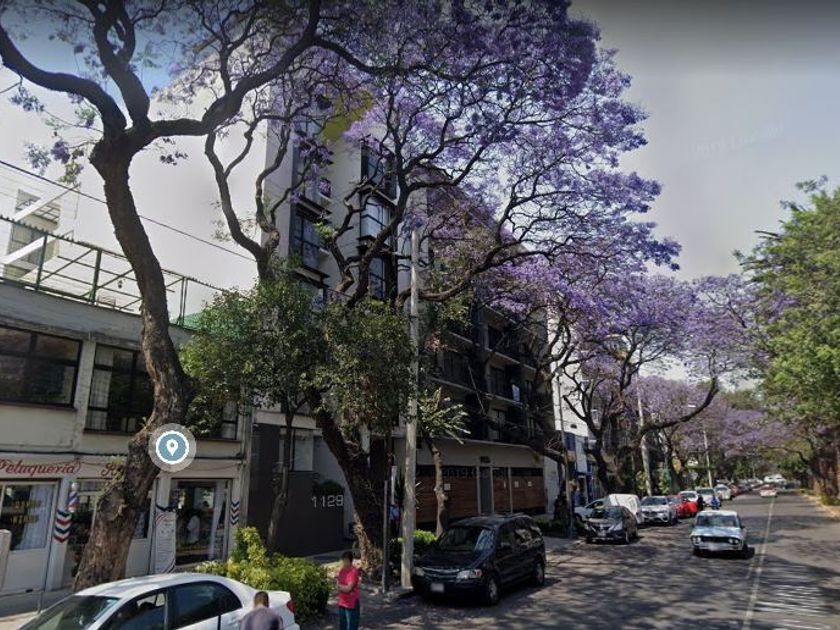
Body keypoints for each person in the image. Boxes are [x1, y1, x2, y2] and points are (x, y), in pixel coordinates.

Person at [336, 550, 361, 630]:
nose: (344, 563)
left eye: (346, 561)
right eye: (343, 560)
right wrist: (341, 587)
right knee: (342, 625)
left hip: (351, 603)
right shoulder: (342, 570)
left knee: (351, 626)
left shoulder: (353, 572)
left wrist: (340, 586)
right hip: (342, 602)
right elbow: (338, 584)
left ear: (350, 561)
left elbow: (348, 589)